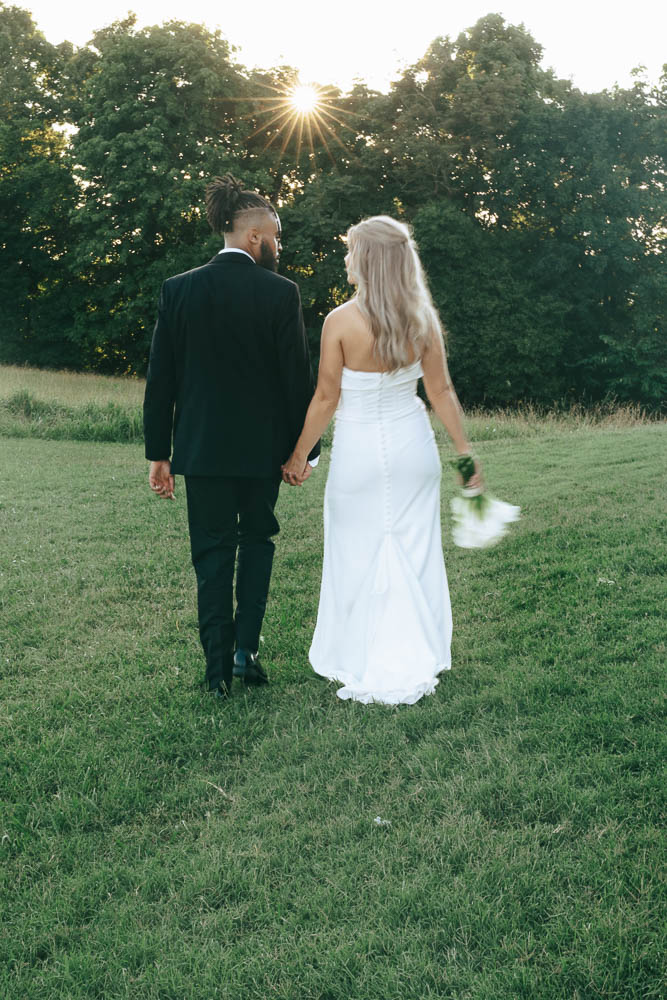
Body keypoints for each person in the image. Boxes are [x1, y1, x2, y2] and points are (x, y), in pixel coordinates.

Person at [282, 215, 482, 705]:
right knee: (413, 550)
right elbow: (441, 391)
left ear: (368, 260)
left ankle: (361, 655)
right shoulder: (423, 319)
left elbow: (326, 397)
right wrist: (465, 456)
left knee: (356, 551)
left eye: (351, 251)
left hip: (359, 453)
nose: (346, 258)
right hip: (413, 449)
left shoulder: (340, 322)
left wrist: (297, 455)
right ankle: (418, 651)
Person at [144, 174, 319, 699]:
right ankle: (247, 653)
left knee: (211, 554)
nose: (279, 247)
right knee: (258, 543)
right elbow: (296, 382)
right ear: (253, 238)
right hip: (263, 454)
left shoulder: (179, 289)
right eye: (277, 237)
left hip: (202, 452)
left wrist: (160, 454)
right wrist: (303, 451)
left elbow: (162, 380)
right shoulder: (280, 293)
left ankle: (216, 671)